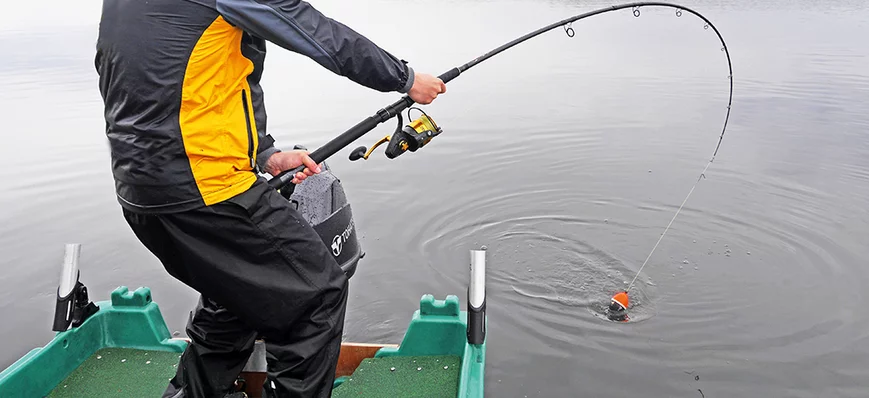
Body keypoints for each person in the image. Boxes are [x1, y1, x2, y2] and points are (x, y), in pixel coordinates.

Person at [94, 0, 446, 396]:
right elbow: (314, 31)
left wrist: (263, 154)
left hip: (142, 191)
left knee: (237, 293)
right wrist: (406, 78)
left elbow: (176, 77)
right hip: (206, 188)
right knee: (316, 296)